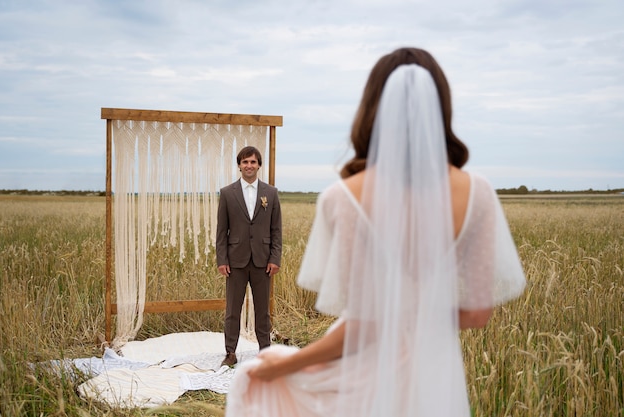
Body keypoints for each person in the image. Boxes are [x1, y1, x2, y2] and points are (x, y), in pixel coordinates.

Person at [225, 48, 526, 416]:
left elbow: (365, 326)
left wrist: (285, 365)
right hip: (438, 379)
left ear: (371, 107)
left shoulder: (343, 199)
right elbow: (478, 314)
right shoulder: (478, 194)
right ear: (441, 106)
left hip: (369, 383)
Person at [216, 145, 282, 367]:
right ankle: (230, 353)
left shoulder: (271, 193)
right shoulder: (227, 193)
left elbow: (276, 230)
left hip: (263, 261)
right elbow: (221, 231)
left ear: (259, 165)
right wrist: (222, 260)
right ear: (239, 165)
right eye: (245, 162)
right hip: (235, 261)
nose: (249, 166)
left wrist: (275, 258)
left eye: (253, 162)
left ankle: (265, 352)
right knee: (232, 310)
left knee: (262, 311)